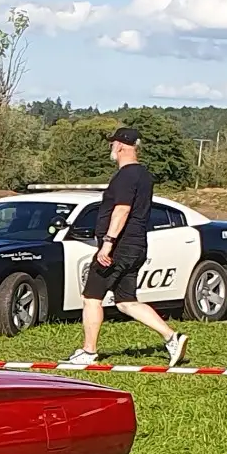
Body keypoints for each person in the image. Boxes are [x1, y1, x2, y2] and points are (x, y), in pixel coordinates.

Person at [69, 127, 188, 366]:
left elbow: (121, 210)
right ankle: (171, 337)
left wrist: (107, 243)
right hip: (136, 246)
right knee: (126, 302)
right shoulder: (144, 175)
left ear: (121, 146)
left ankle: (88, 352)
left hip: (118, 246)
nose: (111, 147)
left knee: (91, 297)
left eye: (112, 143)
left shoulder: (125, 176)